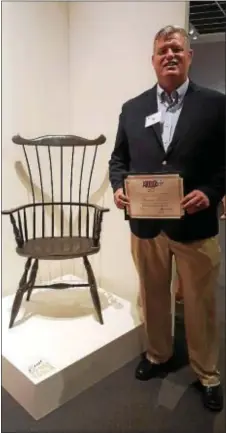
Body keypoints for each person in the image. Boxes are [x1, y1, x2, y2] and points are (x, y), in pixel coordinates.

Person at [109, 25, 225, 411]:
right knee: (153, 296)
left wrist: (209, 193)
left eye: (177, 49)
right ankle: (158, 354)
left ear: (189, 56)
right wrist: (118, 187)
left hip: (195, 227)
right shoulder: (132, 108)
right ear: (153, 59)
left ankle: (207, 372)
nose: (170, 55)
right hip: (146, 227)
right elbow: (118, 160)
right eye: (162, 50)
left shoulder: (216, 105)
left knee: (201, 304)